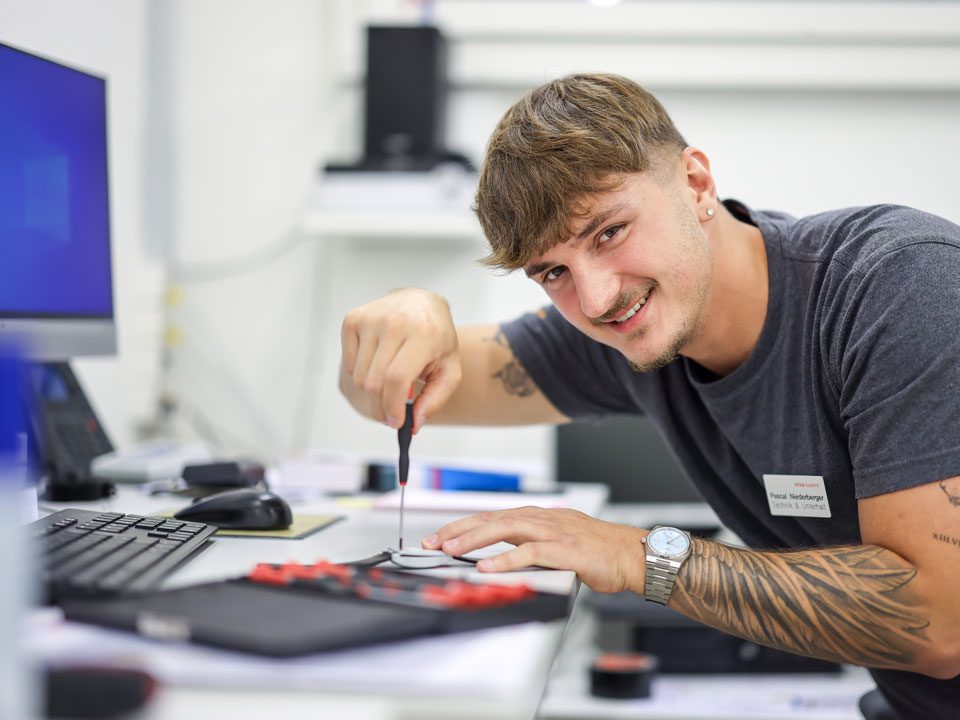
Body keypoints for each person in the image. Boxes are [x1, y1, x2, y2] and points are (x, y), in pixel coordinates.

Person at [339, 73, 960, 719]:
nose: (598, 298)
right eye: (553, 272)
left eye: (609, 232)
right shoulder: (632, 329)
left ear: (695, 183)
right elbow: (398, 389)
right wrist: (405, 312)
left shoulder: (898, 287)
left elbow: (943, 624)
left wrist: (636, 554)